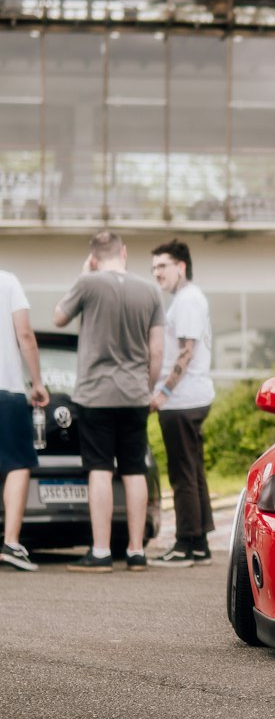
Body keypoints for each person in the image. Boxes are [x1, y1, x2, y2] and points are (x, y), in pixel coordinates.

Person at [53, 232, 164, 571]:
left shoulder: (88, 282)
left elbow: (58, 317)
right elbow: (156, 350)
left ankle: (100, 552)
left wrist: (84, 273)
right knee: (133, 471)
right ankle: (136, 552)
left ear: (95, 258)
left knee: (100, 470)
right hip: (134, 395)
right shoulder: (150, 290)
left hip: (95, 395)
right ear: (125, 252)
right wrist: (145, 389)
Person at [149, 240, 215, 567]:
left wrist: (163, 393)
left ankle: (184, 544)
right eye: (154, 268)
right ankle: (200, 542)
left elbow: (186, 352)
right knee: (194, 471)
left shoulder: (187, 300)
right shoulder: (189, 298)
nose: (156, 273)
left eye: (162, 266)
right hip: (192, 397)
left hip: (182, 400)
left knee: (182, 474)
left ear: (181, 266)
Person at [0, 270, 50, 570]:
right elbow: (25, 335)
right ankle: (11, 544)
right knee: (17, 465)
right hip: (6, 391)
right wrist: (38, 381)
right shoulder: (7, 281)